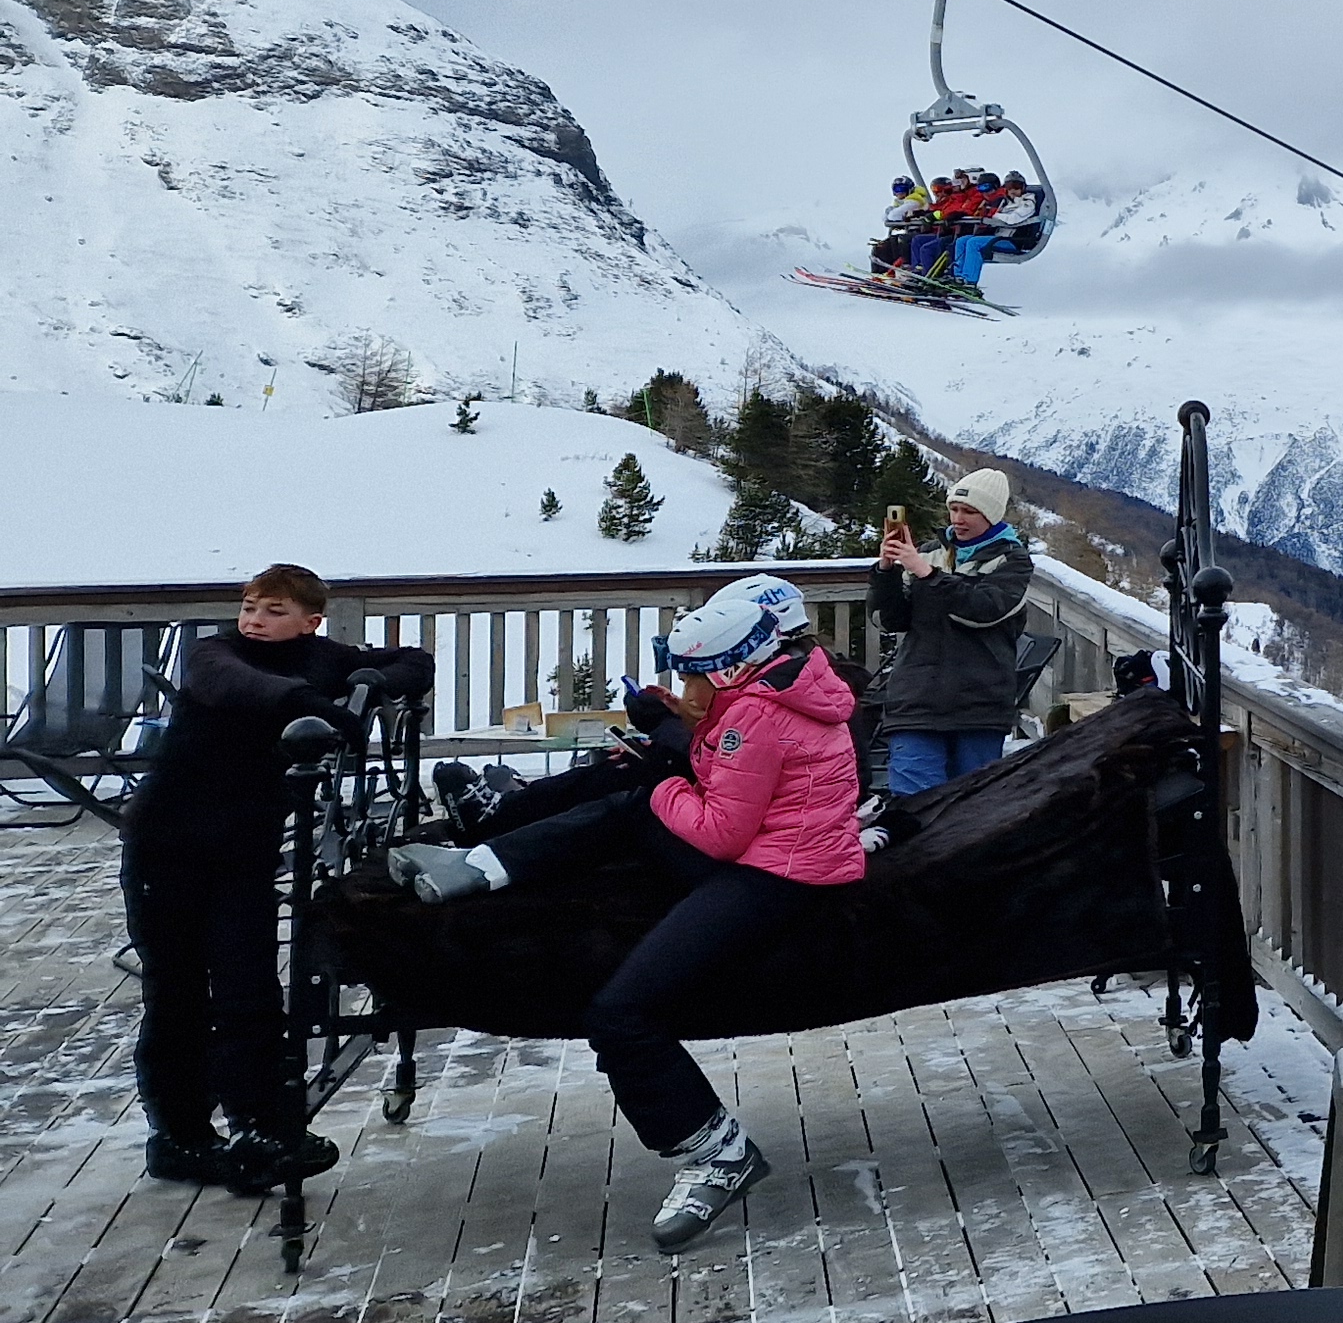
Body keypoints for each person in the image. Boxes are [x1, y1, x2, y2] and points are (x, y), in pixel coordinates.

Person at [386, 573, 862, 1251]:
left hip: (779, 877)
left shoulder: (756, 716)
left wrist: (664, 778)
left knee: (621, 1013)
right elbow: (732, 781)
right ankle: (481, 864)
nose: (687, 686)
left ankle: (718, 1154)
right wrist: (677, 741)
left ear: (731, 668)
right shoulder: (776, 689)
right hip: (782, 853)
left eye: (694, 676)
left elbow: (722, 833)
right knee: (631, 804)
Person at [123, 564, 434, 1193]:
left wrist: (371, 681)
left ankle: (260, 1128)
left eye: (273, 611)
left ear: (310, 621)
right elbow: (236, 685)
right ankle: (179, 1137)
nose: (255, 621)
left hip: (244, 849)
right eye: (249, 607)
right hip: (167, 846)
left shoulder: (323, 656)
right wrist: (306, 703)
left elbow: (415, 660)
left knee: (250, 987)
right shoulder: (216, 654)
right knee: (178, 992)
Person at [870, 469, 1037, 794]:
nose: (958, 519)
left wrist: (927, 574)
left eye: (969, 511)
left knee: (971, 802)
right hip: (916, 700)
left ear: (991, 515)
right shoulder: (929, 552)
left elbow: (982, 611)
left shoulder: (1012, 561)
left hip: (979, 704)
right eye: (954, 509)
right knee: (913, 802)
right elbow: (890, 621)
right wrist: (886, 571)